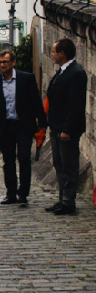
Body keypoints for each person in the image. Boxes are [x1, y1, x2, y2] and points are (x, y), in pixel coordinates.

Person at [0, 48, 46, 205]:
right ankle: (11, 193)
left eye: (5, 62)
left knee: (24, 157)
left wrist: (42, 123)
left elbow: (36, 102)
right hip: (5, 126)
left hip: (23, 125)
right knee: (8, 160)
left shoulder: (26, 79)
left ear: (13, 62)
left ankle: (23, 193)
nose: (2, 65)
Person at [46, 38, 88, 215]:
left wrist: (67, 129)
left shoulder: (76, 73)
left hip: (66, 128)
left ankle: (68, 202)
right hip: (56, 126)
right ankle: (63, 198)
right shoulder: (62, 71)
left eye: (54, 51)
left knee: (69, 165)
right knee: (59, 164)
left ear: (62, 54)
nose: (52, 55)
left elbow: (76, 104)